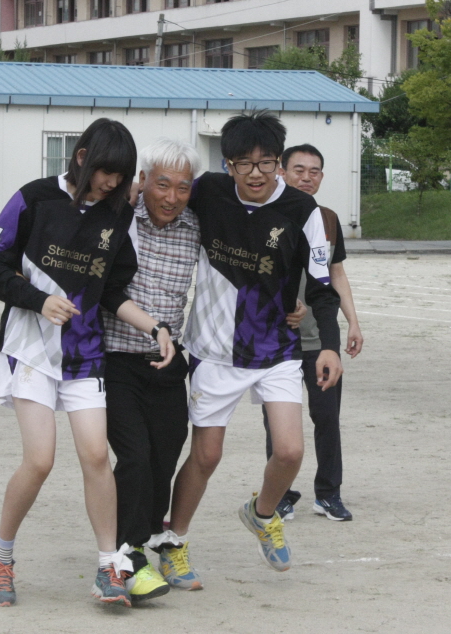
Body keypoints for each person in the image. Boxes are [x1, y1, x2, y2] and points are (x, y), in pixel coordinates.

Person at [0, 118, 175, 608]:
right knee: (40, 460)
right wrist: (37, 299)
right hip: (32, 351)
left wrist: (155, 327)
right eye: (107, 172)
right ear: (82, 157)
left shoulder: (116, 217)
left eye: (121, 177)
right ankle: (1, 558)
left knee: (95, 457)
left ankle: (110, 567)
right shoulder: (34, 198)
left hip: (86, 356)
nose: (112, 183)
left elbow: (111, 291)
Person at [159, 110, 342, 584]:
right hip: (212, 350)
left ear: (280, 163)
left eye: (267, 162)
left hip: (277, 349)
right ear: (228, 165)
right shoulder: (207, 192)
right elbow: (163, 199)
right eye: (245, 163)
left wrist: (329, 346)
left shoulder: (304, 212)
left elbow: (322, 286)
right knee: (207, 456)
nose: (256, 173)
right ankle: (173, 542)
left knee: (289, 452)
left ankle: (262, 514)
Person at [99, 138, 200, 600]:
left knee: (164, 456)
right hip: (117, 357)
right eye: (162, 184)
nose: (172, 197)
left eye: (183, 187)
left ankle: (151, 540)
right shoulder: (121, 219)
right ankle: (125, 554)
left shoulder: (196, 226)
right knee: (134, 458)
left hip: (168, 363)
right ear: (143, 181)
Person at [263, 144, 364, 523]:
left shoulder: (329, 219)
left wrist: (352, 321)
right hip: (278, 338)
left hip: (320, 338)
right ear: (281, 173)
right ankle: (282, 495)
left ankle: (328, 493)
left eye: (315, 171)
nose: (307, 177)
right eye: (299, 170)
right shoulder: (265, 215)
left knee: (327, 417)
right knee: (278, 421)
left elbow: (336, 275)